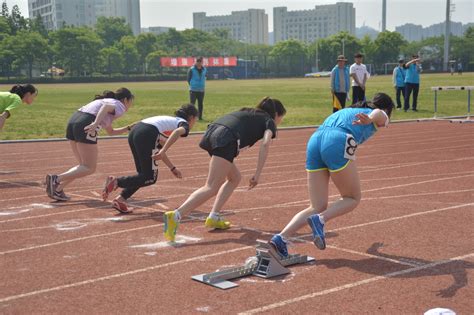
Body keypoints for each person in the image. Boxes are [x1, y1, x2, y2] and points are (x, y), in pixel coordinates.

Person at [268, 93, 394, 258]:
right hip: (337, 140)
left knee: (316, 205)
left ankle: (281, 238)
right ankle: (320, 220)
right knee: (352, 198)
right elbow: (379, 114)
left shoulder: (345, 111)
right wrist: (371, 118)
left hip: (315, 141)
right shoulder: (375, 113)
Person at [159, 97, 287, 242]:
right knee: (211, 186)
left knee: (234, 178)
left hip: (212, 132)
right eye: (281, 117)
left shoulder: (248, 111)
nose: (280, 121)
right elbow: (265, 143)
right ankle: (176, 215)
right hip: (226, 138)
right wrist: (257, 174)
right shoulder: (268, 121)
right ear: (276, 114)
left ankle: (214, 216)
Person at [102, 104, 199, 213]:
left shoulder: (167, 125)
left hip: (136, 131)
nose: (195, 123)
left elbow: (158, 150)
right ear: (191, 118)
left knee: (143, 175)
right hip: (146, 133)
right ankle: (117, 181)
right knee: (150, 177)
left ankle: (120, 200)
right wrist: (163, 151)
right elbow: (176, 133)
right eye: (196, 119)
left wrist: (172, 168)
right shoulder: (183, 124)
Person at [45, 88, 134, 201]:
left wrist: (129, 128)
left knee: (82, 166)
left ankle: (57, 189)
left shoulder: (107, 101)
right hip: (87, 122)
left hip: (74, 120)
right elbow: (105, 108)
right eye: (131, 101)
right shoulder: (119, 105)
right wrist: (95, 123)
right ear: (125, 99)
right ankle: (56, 179)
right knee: (89, 168)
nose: (130, 105)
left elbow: (111, 132)